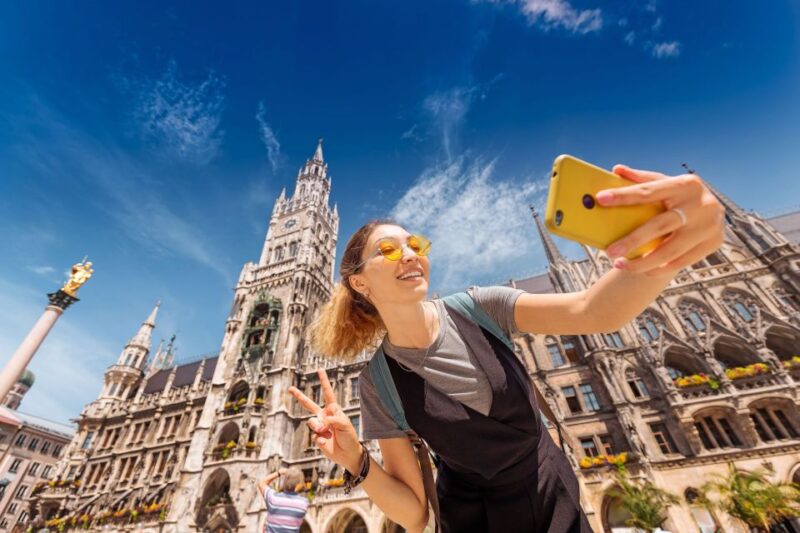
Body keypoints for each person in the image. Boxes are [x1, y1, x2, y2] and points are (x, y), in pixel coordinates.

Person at [289, 165, 725, 532]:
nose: (409, 255)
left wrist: (670, 248)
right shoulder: (378, 383)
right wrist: (354, 458)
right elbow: (414, 513)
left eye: (416, 245)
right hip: (474, 519)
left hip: (555, 498)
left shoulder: (480, 307)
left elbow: (593, 311)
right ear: (360, 283)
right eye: (388, 249)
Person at [257, 467, 309, 533]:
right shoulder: (303, 504)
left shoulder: (273, 499)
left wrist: (279, 472)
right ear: (299, 485)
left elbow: (262, 483)